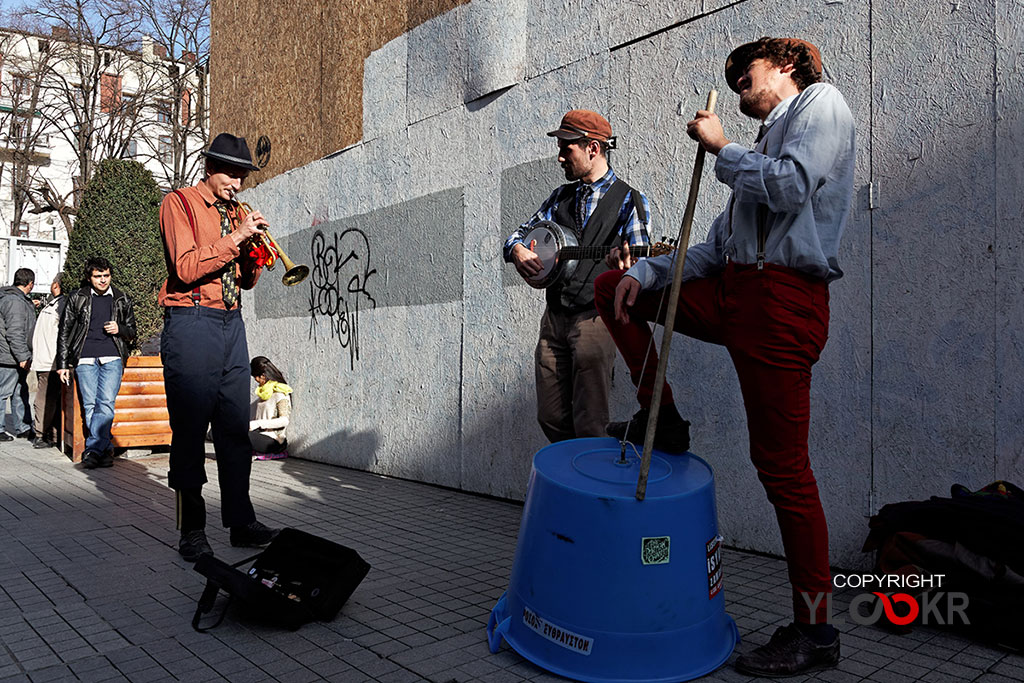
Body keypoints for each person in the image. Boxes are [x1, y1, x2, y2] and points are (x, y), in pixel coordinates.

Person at [594, 38, 854, 676]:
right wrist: (651, 271)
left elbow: (792, 188)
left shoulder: (822, 105)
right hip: (738, 293)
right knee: (614, 288)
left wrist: (720, 149)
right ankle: (666, 416)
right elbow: (714, 251)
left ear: (787, 65)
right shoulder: (760, 145)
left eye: (747, 75)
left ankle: (815, 632)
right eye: (731, 81)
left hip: (783, 302)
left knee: (783, 469)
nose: (737, 88)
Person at [159, 132, 279, 562]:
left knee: (234, 430)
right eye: (231, 174)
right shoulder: (179, 203)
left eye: (243, 176)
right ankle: (191, 531)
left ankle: (241, 522)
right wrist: (236, 238)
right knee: (190, 431)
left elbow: (244, 279)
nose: (238, 184)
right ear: (209, 169)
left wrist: (256, 253)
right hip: (192, 321)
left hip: (232, 322)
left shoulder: (237, 212)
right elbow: (187, 267)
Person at [503, 110, 655, 443]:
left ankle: (591, 488)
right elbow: (516, 236)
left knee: (590, 418)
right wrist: (517, 250)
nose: (559, 157)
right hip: (554, 317)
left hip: (596, 318)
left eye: (566, 149)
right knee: (551, 415)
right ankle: (573, 471)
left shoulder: (629, 200)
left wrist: (628, 267)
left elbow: (643, 263)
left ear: (593, 148)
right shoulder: (560, 197)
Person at [56, 258, 136, 469]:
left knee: (106, 404)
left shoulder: (121, 298)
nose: (103, 280)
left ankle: (93, 450)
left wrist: (120, 329)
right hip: (85, 358)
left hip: (112, 357)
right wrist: (62, 363)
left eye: (106, 276)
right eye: (98, 276)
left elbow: (132, 332)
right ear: (89, 278)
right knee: (90, 405)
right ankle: (104, 449)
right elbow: (64, 330)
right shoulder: (77, 297)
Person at [0, 268, 37, 441]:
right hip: (11, 357)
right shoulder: (14, 302)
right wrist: (22, 356)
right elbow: (14, 332)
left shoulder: (14, 299)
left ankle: (23, 427)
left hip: (12, 355)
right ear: (30, 284)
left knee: (20, 391)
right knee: (3, 392)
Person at [30, 273, 66, 449]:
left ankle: (44, 434)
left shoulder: (56, 306)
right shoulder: (57, 306)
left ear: (56, 286)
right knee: (48, 398)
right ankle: (44, 434)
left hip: (49, 360)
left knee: (46, 398)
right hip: (50, 360)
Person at [249, 356, 291, 460]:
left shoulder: (281, 392)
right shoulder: (263, 393)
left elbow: (284, 420)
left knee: (239, 434)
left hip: (274, 440)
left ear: (263, 376)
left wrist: (258, 423)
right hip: (260, 435)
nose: (257, 380)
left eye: (257, 377)